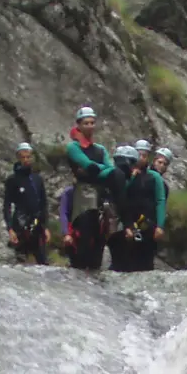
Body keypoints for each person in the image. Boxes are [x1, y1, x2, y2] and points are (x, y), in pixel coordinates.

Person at [62, 106, 120, 271]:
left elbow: (107, 170)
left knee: (100, 235)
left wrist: (97, 170)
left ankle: (94, 268)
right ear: (79, 125)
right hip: (83, 195)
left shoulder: (100, 149)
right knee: (84, 234)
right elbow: (88, 165)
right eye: (86, 123)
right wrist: (100, 169)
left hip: (100, 195)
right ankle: (80, 267)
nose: (89, 126)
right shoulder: (74, 147)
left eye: (92, 123)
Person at [120, 139, 168, 272]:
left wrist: (160, 226)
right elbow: (122, 197)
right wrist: (130, 178)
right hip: (130, 223)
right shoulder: (127, 175)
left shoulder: (154, 177)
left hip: (148, 224)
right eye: (139, 155)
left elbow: (160, 201)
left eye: (144, 156)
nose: (141, 158)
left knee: (146, 261)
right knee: (127, 260)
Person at [2, 142, 49, 265]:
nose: (26, 160)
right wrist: (10, 228)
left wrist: (46, 226)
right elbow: (7, 205)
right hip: (20, 223)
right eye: (23, 157)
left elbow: (43, 203)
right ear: (18, 158)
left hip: (37, 224)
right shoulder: (12, 180)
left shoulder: (37, 179)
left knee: (43, 261)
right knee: (20, 260)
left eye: (28, 157)